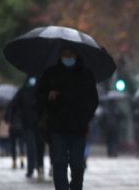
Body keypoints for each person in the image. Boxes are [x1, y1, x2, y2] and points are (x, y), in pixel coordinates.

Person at [37, 47, 98, 190]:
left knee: (77, 164)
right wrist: (48, 95)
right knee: (59, 162)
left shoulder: (85, 75)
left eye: (70, 54)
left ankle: (76, 187)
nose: (67, 57)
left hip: (78, 127)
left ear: (76, 55)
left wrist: (85, 116)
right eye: (64, 54)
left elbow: (93, 100)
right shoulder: (51, 73)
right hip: (57, 126)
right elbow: (39, 96)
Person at [9, 77, 41, 178]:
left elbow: (14, 104)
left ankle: (32, 168)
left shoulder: (24, 88)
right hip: (37, 122)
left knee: (31, 146)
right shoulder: (40, 87)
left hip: (28, 122)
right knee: (38, 145)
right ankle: (39, 166)